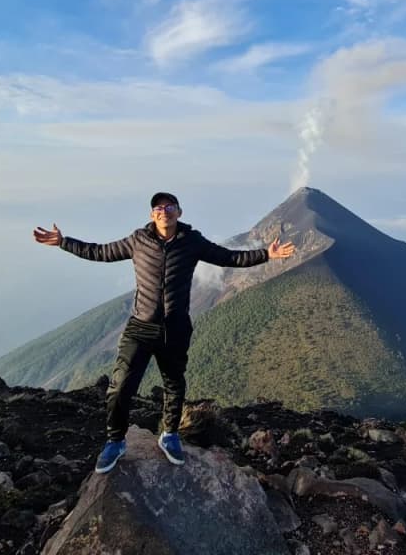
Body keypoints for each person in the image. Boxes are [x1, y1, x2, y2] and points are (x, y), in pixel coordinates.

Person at [33, 191, 296, 474]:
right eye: (157, 208)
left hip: (176, 326)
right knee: (120, 386)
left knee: (174, 383)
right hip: (140, 326)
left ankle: (169, 434)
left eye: (169, 206)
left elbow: (227, 257)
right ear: (151, 215)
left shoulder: (191, 241)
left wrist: (266, 254)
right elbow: (101, 252)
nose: (163, 211)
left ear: (179, 212)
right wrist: (63, 242)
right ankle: (115, 440)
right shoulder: (138, 240)